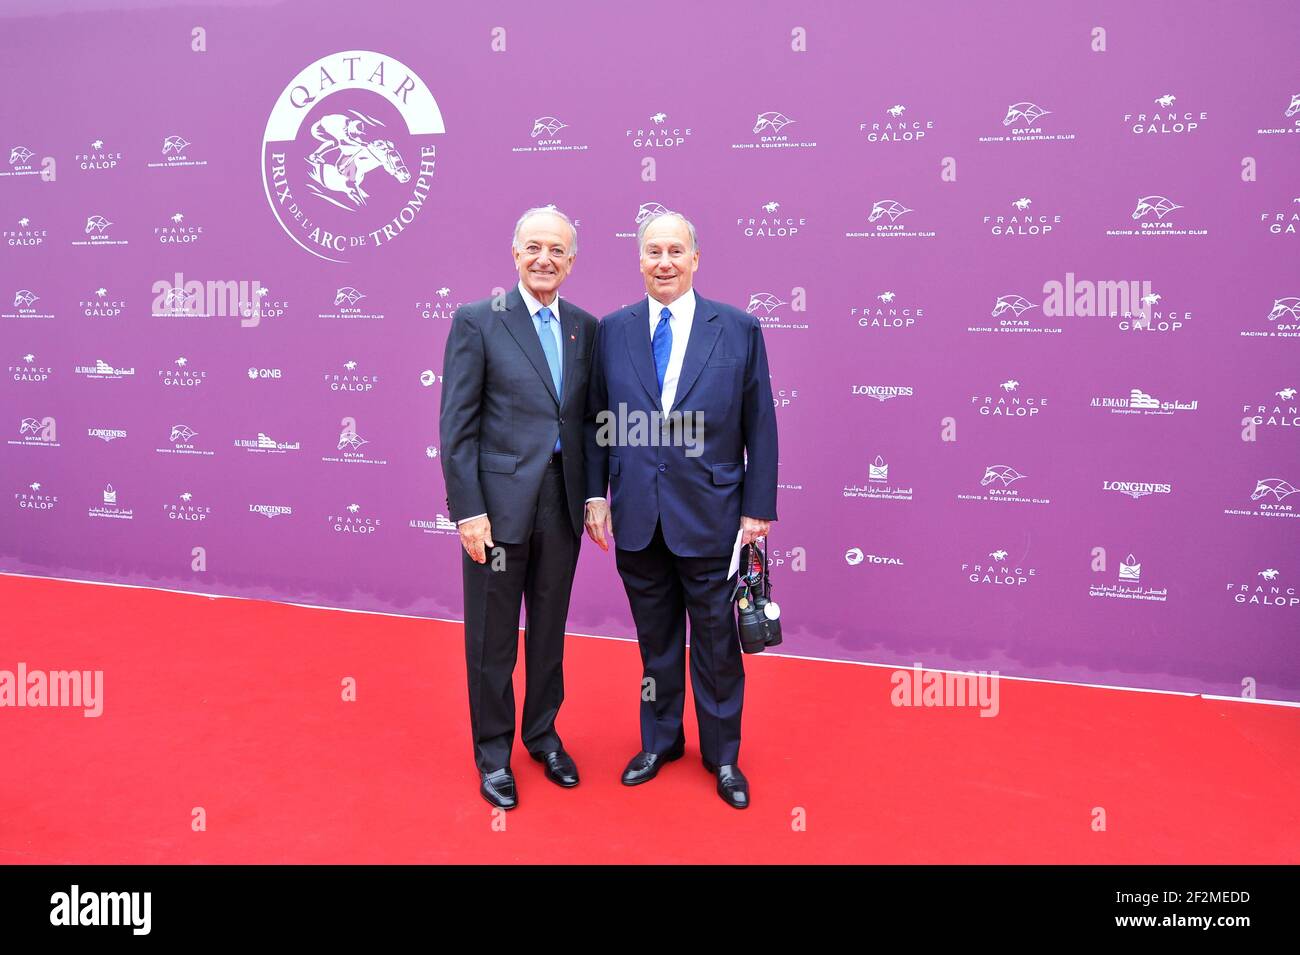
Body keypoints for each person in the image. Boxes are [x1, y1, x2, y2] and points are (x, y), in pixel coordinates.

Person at [584, 210, 778, 809]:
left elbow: (761, 423)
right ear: (638, 260)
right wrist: (596, 494)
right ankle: (659, 741)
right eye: (652, 253)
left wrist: (757, 511)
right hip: (639, 515)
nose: (663, 262)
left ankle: (723, 757)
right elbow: (597, 420)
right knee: (654, 643)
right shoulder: (611, 330)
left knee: (717, 643)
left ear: (696, 259)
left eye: (675, 252)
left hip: (714, 515)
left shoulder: (738, 328)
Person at [440, 205, 598, 810]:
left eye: (557, 250)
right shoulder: (479, 321)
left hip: (560, 505)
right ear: (514, 254)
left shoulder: (585, 327)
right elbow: (457, 427)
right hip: (497, 511)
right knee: (492, 637)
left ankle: (543, 735)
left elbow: (585, 421)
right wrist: (468, 509)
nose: (544, 259)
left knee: (549, 632)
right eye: (534, 247)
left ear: (572, 261)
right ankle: (493, 752)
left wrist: (592, 495)